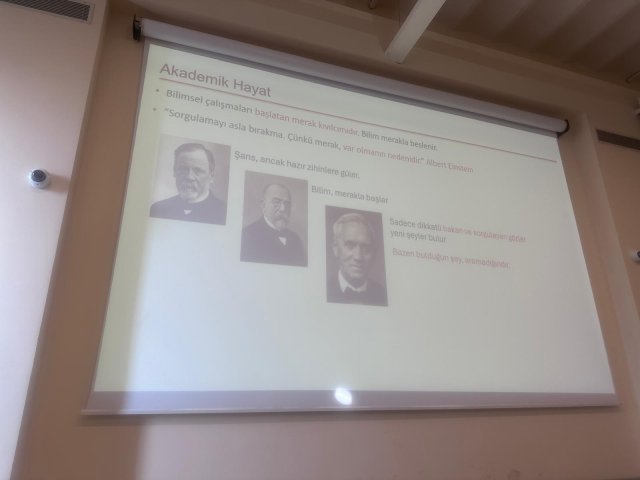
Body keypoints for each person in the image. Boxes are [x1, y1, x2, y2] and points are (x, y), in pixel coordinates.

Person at [150, 143, 227, 224]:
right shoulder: (158, 209)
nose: (189, 177)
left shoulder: (223, 212)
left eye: (198, 171)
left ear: (211, 176)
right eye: (183, 169)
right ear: (174, 172)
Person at [327, 212, 387, 306]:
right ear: (335, 248)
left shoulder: (383, 295)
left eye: (366, 248)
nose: (358, 257)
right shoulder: (323, 288)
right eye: (350, 245)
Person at [240, 183, 307, 266]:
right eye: (276, 202)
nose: (283, 209)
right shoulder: (247, 236)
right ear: (263, 205)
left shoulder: (295, 239)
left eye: (287, 204)